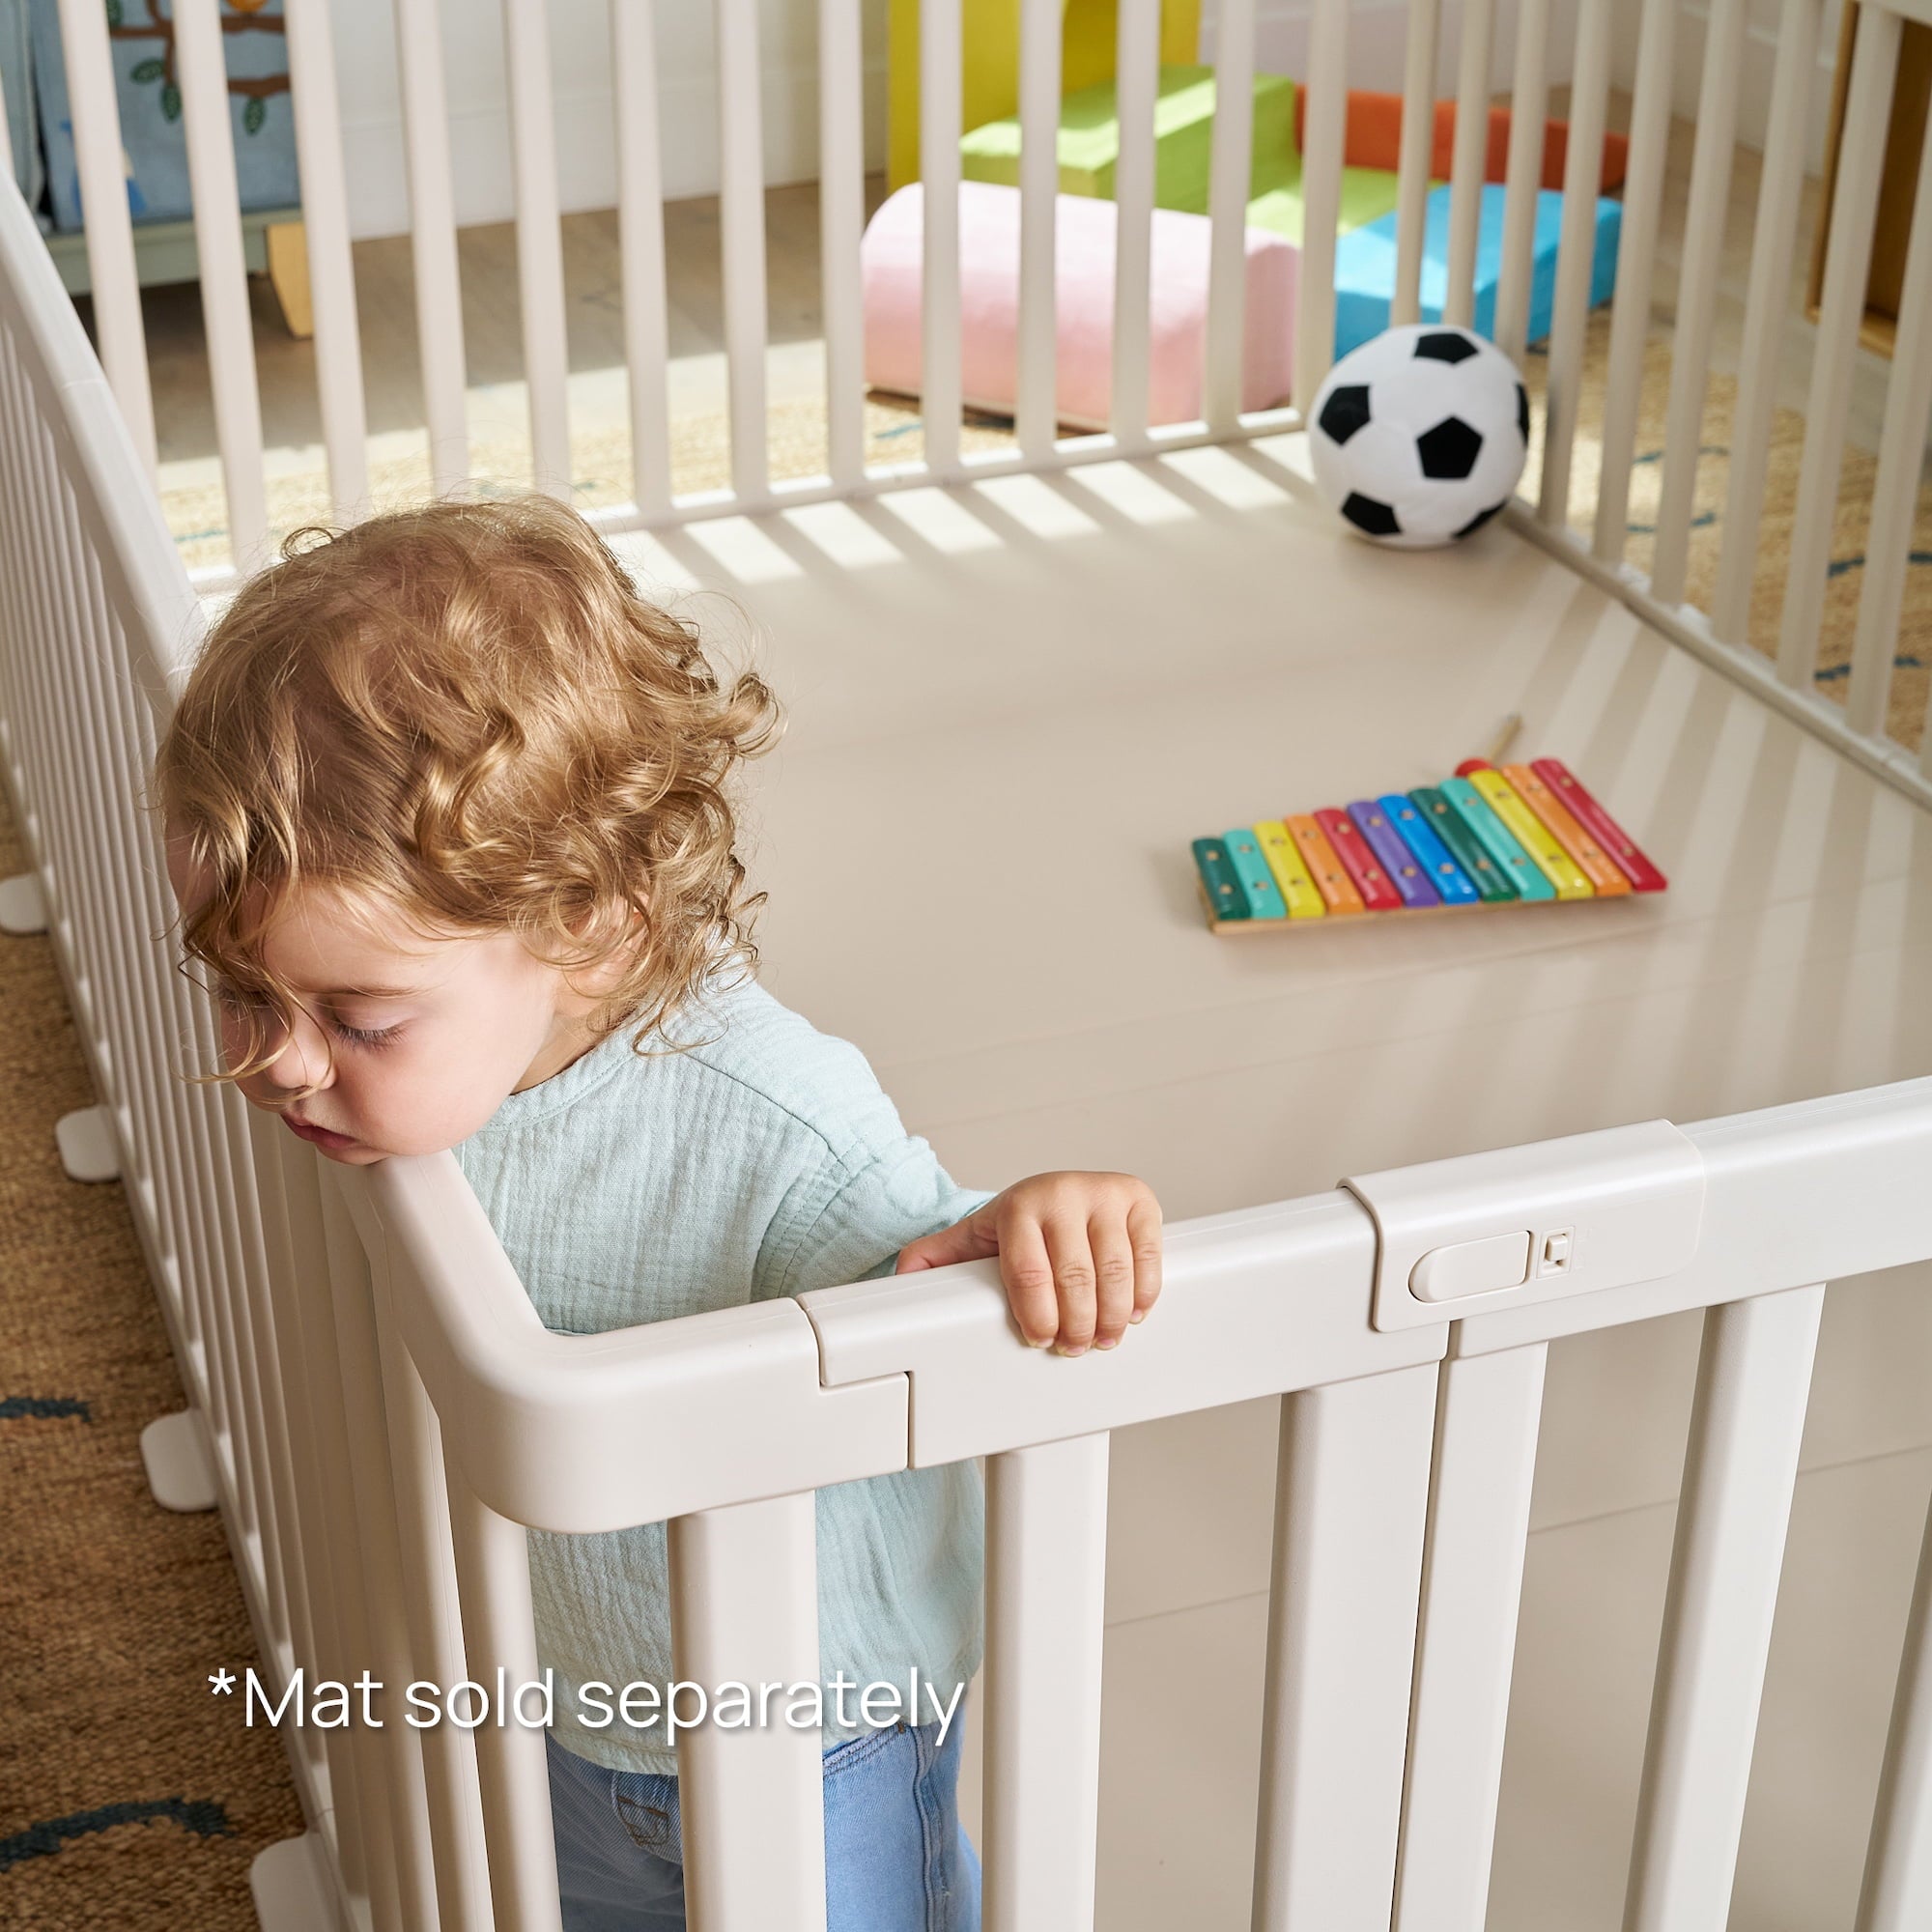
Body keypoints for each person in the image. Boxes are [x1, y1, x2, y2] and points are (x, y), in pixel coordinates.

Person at [153, 495, 1163, 1931]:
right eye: (247, 993)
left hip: (824, 1731)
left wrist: (1039, 1218)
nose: (279, 1060)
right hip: (590, 1706)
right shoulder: (452, 1071)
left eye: (358, 1020)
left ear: (588, 932)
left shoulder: (770, 1122)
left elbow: (936, 1269)